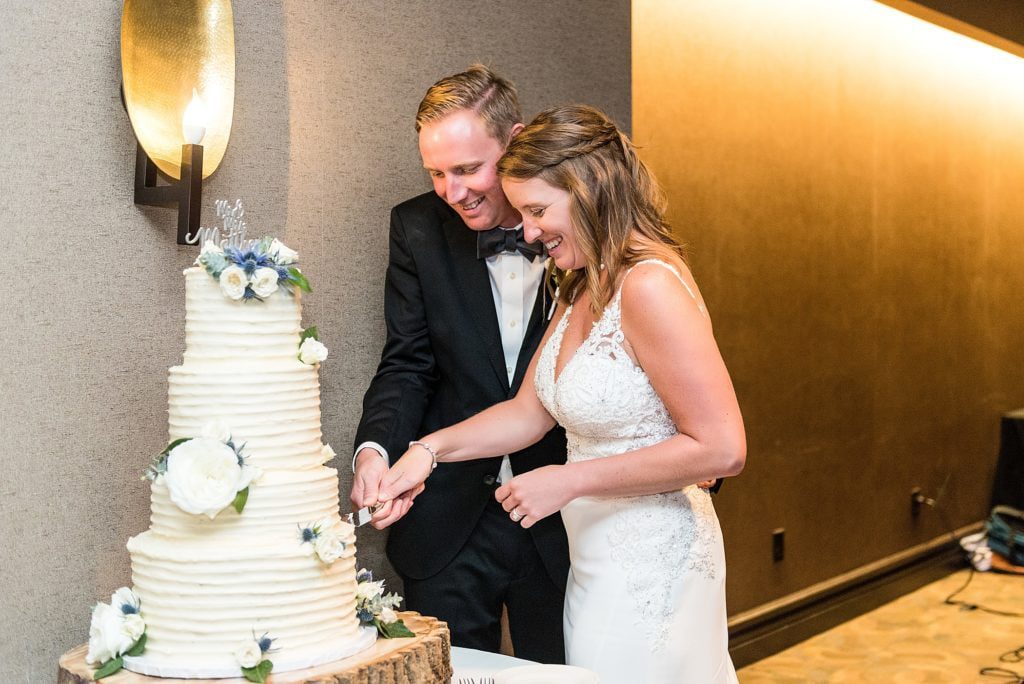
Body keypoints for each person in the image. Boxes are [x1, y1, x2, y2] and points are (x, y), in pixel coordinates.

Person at [376, 104, 745, 682]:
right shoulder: (581, 284)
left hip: (653, 564)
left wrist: (569, 479)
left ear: (591, 190)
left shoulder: (648, 285)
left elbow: (722, 448)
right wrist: (427, 450)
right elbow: (527, 413)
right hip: (593, 561)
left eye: (538, 210)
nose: (527, 231)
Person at [350, 65, 570, 663]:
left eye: (469, 169)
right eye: (437, 173)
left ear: (515, 142)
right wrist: (375, 450)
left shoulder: (579, 231)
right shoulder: (417, 227)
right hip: (447, 522)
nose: (453, 192)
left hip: (564, 521)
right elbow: (407, 364)